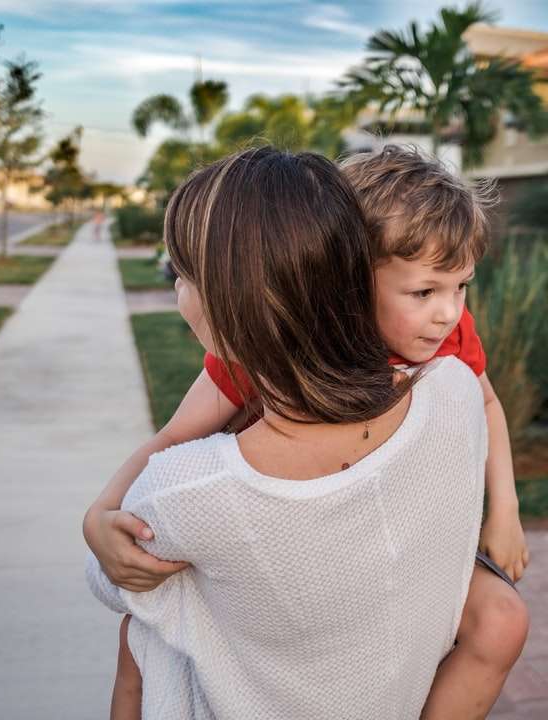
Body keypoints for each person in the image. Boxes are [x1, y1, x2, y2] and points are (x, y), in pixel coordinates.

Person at [85, 145, 530, 719]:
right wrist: (99, 514)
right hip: (358, 604)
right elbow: (171, 438)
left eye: (458, 288)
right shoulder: (269, 367)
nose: (447, 313)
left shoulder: (445, 365)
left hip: (391, 576)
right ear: (344, 273)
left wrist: (505, 512)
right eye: (424, 292)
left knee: (501, 619)